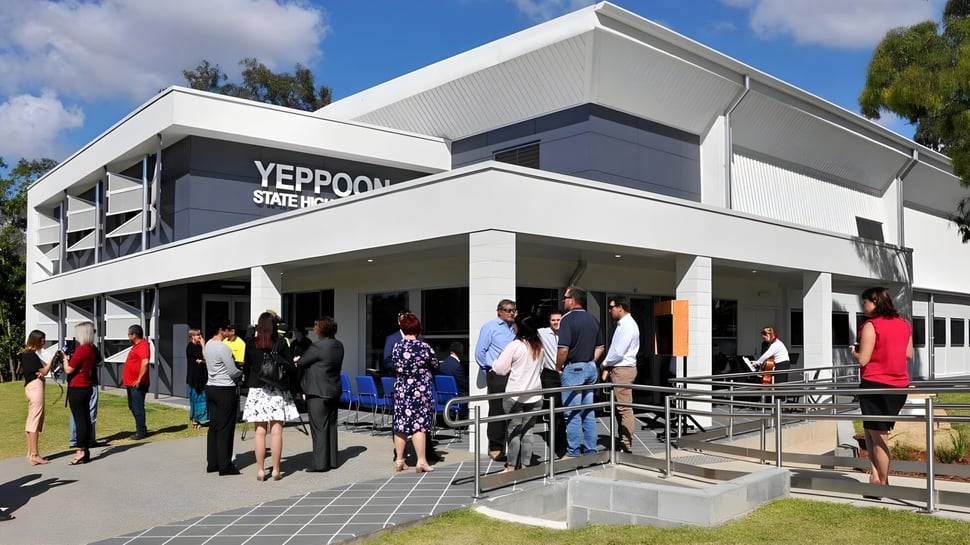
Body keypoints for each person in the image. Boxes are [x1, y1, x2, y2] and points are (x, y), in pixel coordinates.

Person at [852, 287, 914, 491]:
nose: (863, 306)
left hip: (875, 385)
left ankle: (882, 483)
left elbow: (864, 359)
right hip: (899, 386)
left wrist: (855, 351)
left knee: (877, 436)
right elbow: (909, 354)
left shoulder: (871, 325)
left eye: (865, 302)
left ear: (875, 302)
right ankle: (875, 476)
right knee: (871, 432)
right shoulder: (904, 324)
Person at [242, 312, 300, 481]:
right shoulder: (281, 343)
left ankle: (260, 470)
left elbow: (247, 367)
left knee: (260, 432)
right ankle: (276, 469)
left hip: (257, 389)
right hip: (276, 389)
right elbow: (290, 367)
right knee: (276, 431)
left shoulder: (251, 343)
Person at [556, 286, 604, 459]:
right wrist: (591, 362)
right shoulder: (592, 319)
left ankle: (573, 451)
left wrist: (558, 367)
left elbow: (563, 349)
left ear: (572, 300)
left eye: (565, 297)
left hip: (573, 368)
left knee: (573, 413)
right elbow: (600, 346)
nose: (563, 300)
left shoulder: (567, 319)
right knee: (588, 412)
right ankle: (591, 450)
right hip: (590, 369)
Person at [492, 314, 544, 472]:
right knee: (528, 431)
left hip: (515, 395)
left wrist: (495, 361)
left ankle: (511, 465)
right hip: (535, 394)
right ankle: (525, 464)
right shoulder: (539, 346)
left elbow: (499, 369)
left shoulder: (515, 345)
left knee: (514, 431)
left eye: (515, 325)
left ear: (519, 327)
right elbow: (541, 368)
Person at [391, 312, 439, 473]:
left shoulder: (397, 346)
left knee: (400, 424)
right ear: (418, 329)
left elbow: (393, 364)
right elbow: (435, 364)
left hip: (402, 390)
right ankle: (421, 461)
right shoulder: (424, 347)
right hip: (420, 390)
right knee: (419, 426)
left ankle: (400, 460)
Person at [297, 317, 344, 472]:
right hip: (333, 389)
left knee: (318, 428)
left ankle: (320, 464)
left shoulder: (317, 347)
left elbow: (303, 362)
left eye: (316, 327)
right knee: (331, 426)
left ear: (322, 329)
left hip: (317, 391)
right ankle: (332, 460)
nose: (314, 330)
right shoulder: (339, 345)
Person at [475, 299, 517, 460]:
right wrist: (491, 367)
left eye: (513, 310)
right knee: (497, 409)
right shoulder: (490, 327)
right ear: (499, 311)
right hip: (498, 374)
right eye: (507, 310)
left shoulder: (514, 328)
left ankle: (513, 445)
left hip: (514, 374)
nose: (511, 312)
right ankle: (496, 446)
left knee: (514, 409)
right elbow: (480, 351)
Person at [601, 295, 639, 453]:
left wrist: (605, 364)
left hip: (623, 370)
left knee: (624, 408)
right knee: (620, 408)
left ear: (620, 308)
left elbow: (618, 351)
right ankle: (623, 442)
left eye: (611, 307)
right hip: (619, 369)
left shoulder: (627, 325)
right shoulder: (623, 324)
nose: (609, 310)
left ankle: (626, 445)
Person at [205, 322, 243, 475]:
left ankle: (212, 463)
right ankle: (225, 465)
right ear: (221, 330)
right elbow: (232, 371)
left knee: (214, 426)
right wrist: (241, 371)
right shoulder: (224, 348)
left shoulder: (208, 344)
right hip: (225, 388)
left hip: (211, 386)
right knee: (225, 427)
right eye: (227, 329)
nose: (229, 332)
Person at [63, 322, 99, 465]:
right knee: (85, 417)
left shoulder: (82, 349)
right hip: (87, 386)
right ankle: (85, 449)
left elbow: (69, 370)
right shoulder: (91, 349)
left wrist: (65, 360)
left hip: (77, 386)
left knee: (79, 419)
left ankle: (81, 449)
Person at [22, 330, 55, 465]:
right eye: (42, 340)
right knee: (35, 419)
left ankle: (31, 453)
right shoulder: (32, 355)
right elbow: (45, 371)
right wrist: (53, 359)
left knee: (32, 420)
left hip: (31, 386)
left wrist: (40, 373)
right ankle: (34, 454)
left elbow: (36, 372)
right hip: (36, 388)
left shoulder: (26, 354)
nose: (44, 342)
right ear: (36, 340)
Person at [538, 310, 567, 457]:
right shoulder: (542, 333)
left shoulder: (567, 333)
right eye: (553, 320)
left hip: (566, 373)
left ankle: (564, 441)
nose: (556, 323)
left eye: (559, 320)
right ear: (549, 322)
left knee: (564, 408)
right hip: (549, 375)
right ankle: (557, 442)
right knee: (553, 408)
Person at [122, 324, 151, 440]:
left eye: (129, 334)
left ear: (134, 335)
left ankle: (141, 431)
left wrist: (139, 379)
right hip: (130, 383)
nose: (128, 336)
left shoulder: (143, 345)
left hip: (138, 383)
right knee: (132, 406)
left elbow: (145, 362)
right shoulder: (135, 346)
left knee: (137, 407)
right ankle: (140, 428)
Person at [186, 328, 208, 429]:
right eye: (197, 335)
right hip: (194, 377)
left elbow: (206, 357)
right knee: (195, 398)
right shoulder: (190, 347)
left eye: (200, 334)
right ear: (192, 337)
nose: (199, 336)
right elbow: (199, 359)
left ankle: (201, 419)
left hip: (202, 376)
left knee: (202, 398)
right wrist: (203, 360)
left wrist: (203, 345)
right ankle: (195, 419)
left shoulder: (201, 346)